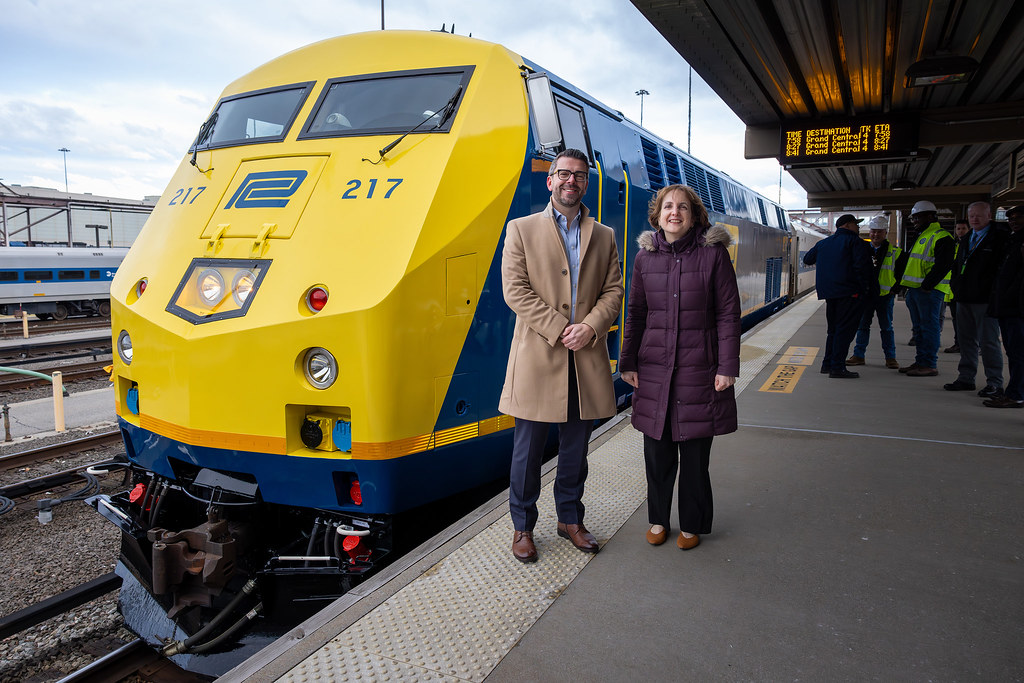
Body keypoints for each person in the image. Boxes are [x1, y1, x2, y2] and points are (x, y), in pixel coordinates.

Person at [499, 148, 624, 563]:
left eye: (580, 176)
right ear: (550, 180)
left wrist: (590, 326)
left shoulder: (604, 235)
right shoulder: (520, 229)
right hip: (539, 357)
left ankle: (570, 519)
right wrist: (559, 328)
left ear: (586, 184)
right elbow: (515, 290)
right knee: (527, 451)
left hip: (584, 359)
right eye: (564, 174)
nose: (572, 181)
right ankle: (522, 527)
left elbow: (614, 291)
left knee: (576, 450)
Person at [619, 184, 739, 551]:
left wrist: (727, 365)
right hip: (655, 367)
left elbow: (728, 314)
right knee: (657, 452)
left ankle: (692, 523)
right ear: (657, 214)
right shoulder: (644, 258)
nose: (675, 212)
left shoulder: (713, 255)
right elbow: (636, 313)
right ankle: (658, 519)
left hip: (699, 368)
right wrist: (627, 361)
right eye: (668, 206)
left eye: (683, 207)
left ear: (694, 215)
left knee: (695, 456)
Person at [944, 201, 1006, 395]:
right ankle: (966, 377)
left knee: (988, 342)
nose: (975, 219)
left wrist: (994, 294)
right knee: (966, 340)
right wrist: (956, 287)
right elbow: (958, 266)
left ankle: (994, 382)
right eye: (972, 216)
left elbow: (1001, 270)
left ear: (989, 216)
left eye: (979, 215)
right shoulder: (968, 237)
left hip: (985, 300)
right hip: (964, 298)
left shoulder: (999, 238)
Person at [803, 214, 873, 378]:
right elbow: (863, 269)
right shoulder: (856, 243)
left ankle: (827, 364)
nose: (858, 228)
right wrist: (865, 290)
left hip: (830, 294)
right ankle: (837, 367)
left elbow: (808, 259)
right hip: (850, 293)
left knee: (833, 330)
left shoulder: (823, 243)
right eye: (856, 225)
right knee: (844, 331)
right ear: (848, 225)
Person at [899, 200, 954, 377]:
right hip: (916, 291)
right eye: (913, 218)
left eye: (917, 217)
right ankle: (920, 361)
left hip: (929, 292)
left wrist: (927, 285)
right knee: (920, 329)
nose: (914, 221)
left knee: (929, 328)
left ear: (930, 216)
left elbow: (944, 264)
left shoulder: (941, 236)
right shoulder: (924, 235)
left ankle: (929, 364)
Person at [847, 216, 906, 369]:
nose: (875, 235)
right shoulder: (863, 250)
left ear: (886, 233)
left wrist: (895, 290)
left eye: (879, 232)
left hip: (885, 297)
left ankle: (890, 358)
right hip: (866, 295)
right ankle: (859, 355)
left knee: (886, 327)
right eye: (873, 231)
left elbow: (901, 274)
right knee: (862, 326)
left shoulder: (896, 252)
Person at [985, 205, 1024, 408]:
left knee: (1018, 353)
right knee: (1013, 352)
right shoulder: (1012, 241)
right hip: (1007, 306)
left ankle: (1017, 394)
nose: (1014, 221)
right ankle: (1014, 391)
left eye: (1019, 218)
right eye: (1011, 218)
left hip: (1017, 308)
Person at [943, 219, 970, 354]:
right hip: (952, 288)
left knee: (969, 320)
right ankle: (958, 343)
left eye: (963, 228)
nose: (960, 231)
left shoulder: (971, 244)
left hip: (966, 289)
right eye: (958, 229)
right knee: (956, 319)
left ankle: (972, 344)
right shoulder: (953, 245)